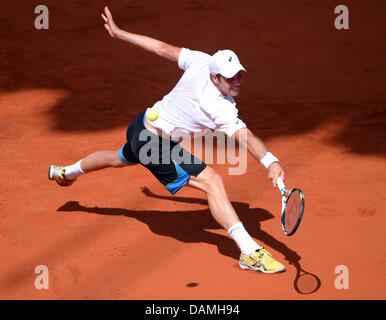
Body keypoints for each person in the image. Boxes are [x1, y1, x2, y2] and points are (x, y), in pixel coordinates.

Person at [49, 6, 286, 273]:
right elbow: (245, 137)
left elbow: (162, 48)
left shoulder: (202, 60)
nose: (238, 81)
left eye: (240, 74)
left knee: (119, 157)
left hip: (141, 126)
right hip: (155, 146)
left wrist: (120, 33)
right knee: (212, 182)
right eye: (231, 78)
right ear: (215, 76)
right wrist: (270, 161)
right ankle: (249, 251)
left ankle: (66, 172)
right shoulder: (219, 106)